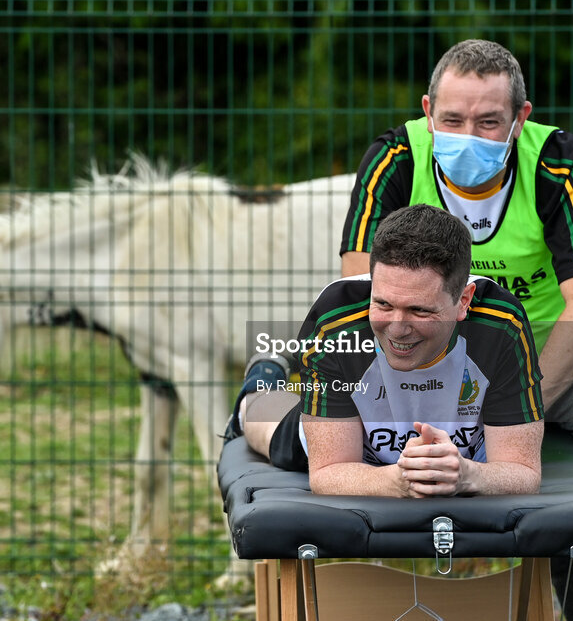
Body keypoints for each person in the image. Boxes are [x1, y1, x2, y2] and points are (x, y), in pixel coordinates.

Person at [338, 39, 573, 620]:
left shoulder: (557, 164)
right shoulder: (394, 159)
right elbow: (366, 295)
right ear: (426, 112)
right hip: (459, 338)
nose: (469, 135)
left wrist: (513, 412)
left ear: (521, 118)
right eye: (452, 119)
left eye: (490, 121)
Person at [226, 204, 544, 500]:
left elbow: (524, 472)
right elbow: (326, 472)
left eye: (419, 310)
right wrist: (398, 481)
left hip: (460, 451)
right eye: (383, 304)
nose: (397, 329)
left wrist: (467, 475)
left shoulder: (502, 325)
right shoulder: (335, 320)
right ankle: (261, 377)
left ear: (463, 301)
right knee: (262, 421)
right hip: (353, 432)